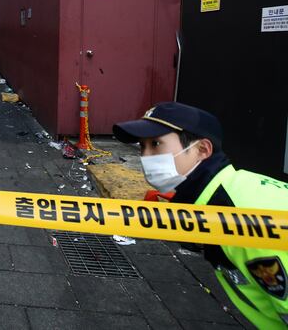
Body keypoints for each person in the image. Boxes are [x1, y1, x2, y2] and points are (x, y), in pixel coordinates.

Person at [114, 102, 288, 329]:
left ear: (202, 150)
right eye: (142, 147)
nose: (146, 157)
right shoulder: (214, 203)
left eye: (156, 144)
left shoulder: (239, 216)